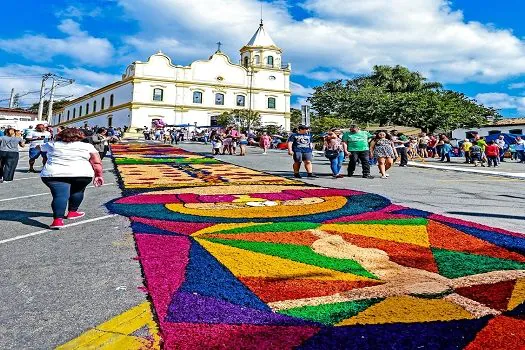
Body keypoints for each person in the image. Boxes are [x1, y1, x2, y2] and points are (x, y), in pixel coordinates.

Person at [39, 128, 104, 229]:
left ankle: (57, 220)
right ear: (80, 136)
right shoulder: (87, 146)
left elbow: (38, 147)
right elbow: (96, 162)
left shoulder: (53, 144)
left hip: (55, 174)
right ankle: (72, 212)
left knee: (60, 196)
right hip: (82, 173)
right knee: (78, 191)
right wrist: (99, 175)